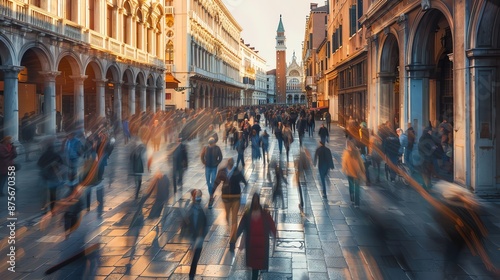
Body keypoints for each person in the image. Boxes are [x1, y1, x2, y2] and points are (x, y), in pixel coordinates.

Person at [236, 193, 277, 280]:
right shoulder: (264, 214)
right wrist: (275, 234)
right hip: (260, 245)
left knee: (255, 266)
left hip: (252, 245)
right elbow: (272, 225)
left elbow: (241, 226)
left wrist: (236, 237)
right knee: (257, 266)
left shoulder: (248, 214)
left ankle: (255, 277)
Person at [213, 158, 248, 251]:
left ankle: (232, 242)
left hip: (236, 197)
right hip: (225, 197)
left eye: (232, 163)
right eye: (230, 163)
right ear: (228, 163)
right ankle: (227, 218)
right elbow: (216, 182)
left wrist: (245, 185)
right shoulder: (222, 171)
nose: (231, 164)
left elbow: (244, 180)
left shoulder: (237, 171)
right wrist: (212, 193)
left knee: (234, 219)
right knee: (227, 214)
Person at [184, 189, 208, 280]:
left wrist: (202, 235)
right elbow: (186, 223)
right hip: (193, 236)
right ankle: (191, 275)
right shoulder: (190, 209)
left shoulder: (202, 209)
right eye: (196, 197)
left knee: (196, 256)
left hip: (199, 237)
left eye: (199, 197)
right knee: (195, 255)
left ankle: (191, 274)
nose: (198, 199)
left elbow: (206, 223)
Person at [38, 141, 64, 213]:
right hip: (53, 177)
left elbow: (39, 164)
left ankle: (44, 209)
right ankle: (52, 209)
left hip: (44, 177)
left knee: (44, 195)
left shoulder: (43, 155)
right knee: (53, 194)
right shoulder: (56, 155)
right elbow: (61, 164)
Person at [341, 140, 366, 208]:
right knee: (356, 188)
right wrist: (362, 170)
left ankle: (353, 200)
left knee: (352, 187)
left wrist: (343, 169)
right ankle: (356, 203)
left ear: (348, 146)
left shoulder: (346, 153)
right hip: (356, 173)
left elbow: (344, 162)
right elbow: (361, 162)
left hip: (351, 173)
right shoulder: (357, 152)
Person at [200, 137, 223, 208]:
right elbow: (202, 156)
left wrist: (217, 163)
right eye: (211, 144)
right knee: (207, 181)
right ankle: (211, 194)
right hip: (207, 167)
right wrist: (204, 162)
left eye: (213, 143)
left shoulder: (217, 148)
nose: (213, 144)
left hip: (214, 167)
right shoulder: (205, 148)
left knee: (213, 181)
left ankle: (211, 196)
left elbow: (220, 157)